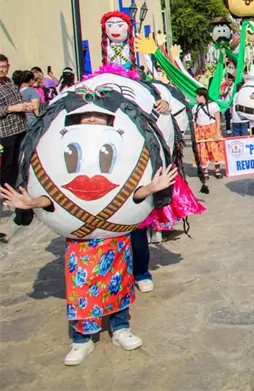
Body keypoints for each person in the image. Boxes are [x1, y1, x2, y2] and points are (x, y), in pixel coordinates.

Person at [1, 92, 178, 366]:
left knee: (119, 285)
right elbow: (55, 198)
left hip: (117, 240)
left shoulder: (117, 145)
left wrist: (153, 188)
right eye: (88, 116)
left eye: (98, 116)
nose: (93, 119)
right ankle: (81, 339)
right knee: (81, 290)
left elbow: (133, 193)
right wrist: (31, 202)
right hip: (81, 245)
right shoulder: (65, 146)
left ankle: (120, 328)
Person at [0, 55, 32, 196]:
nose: (2, 70)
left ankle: (15, 188)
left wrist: (24, 106)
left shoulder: (9, 82)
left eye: (4, 66)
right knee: (7, 165)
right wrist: (13, 108)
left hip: (20, 127)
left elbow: (17, 101)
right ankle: (6, 193)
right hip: (5, 132)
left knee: (17, 162)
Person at [194, 88, 225, 179]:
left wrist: (217, 132)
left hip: (211, 129)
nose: (196, 98)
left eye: (197, 96)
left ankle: (217, 170)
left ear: (202, 96)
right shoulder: (196, 107)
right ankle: (205, 171)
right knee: (203, 151)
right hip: (201, 131)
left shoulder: (213, 105)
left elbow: (218, 119)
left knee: (215, 150)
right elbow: (195, 121)